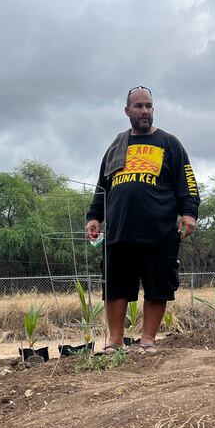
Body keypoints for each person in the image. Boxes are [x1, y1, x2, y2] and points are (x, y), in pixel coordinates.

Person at [86, 86, 200, 354]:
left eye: (148, 105)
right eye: (138, 106)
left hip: (158, 231)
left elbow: (188, 182)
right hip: (119, 230)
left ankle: (147, 340)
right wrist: (94, 217)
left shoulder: (169, 143)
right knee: (115, 287)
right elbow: (102, 186)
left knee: (157, 287)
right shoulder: (116, 145)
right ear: (127, 111)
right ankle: (114, 341)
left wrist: (189, 212)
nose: (144, 111)